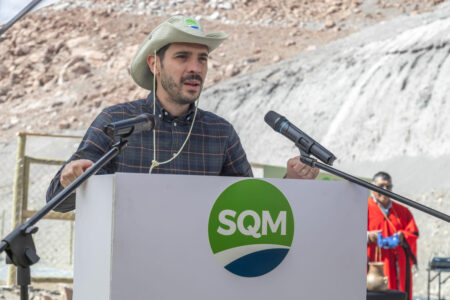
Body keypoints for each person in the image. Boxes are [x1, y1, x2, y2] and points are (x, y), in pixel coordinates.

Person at [46, 16, 319, 212]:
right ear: (155, 64)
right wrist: (70, 178)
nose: (195, 68)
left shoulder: (221, 133)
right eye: (182, 57)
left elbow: (247, 212)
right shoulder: (116, 121)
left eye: (202, 59)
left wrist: (291, 183)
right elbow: (57, 202)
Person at [367, 172, 419, 300]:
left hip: (397, 266)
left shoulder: (402, 211)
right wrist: (369, 236)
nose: (385, 190)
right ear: (373, 187)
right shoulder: (363, 208)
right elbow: (350, 233)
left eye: (388, 187)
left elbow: (413, 233)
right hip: (372, 267)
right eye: (381, 186)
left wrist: (402, 236)